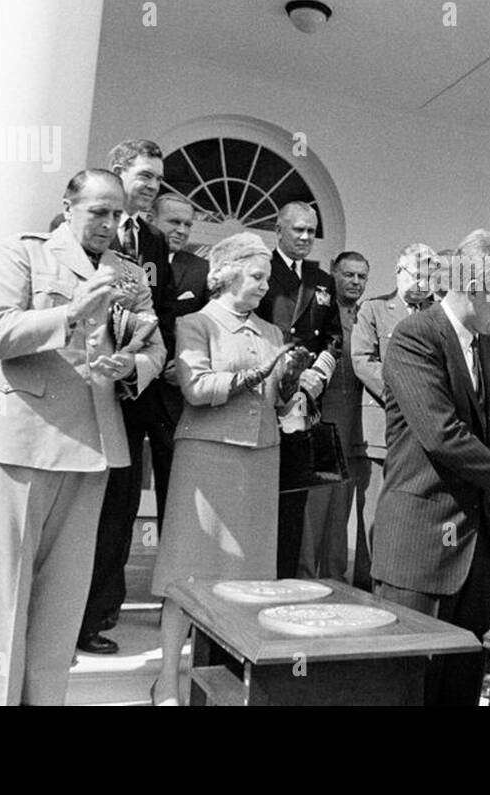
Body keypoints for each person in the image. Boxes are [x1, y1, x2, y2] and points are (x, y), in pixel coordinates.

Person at [0, 169, 165, 705]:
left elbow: (156, 347)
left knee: (63, 599)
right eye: (98, 211)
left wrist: (133, 365)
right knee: (6, 592)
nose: (108, 224)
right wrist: (70, 313)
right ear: (68, 206)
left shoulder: (128, 273)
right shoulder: (23, 254)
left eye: (118, 214)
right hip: (21, 438)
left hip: (93, 444)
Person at [370, 230, 490, 705]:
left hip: (475, 551)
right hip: (419, 548)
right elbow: (441, 435)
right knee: (408, 689)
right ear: (475, 284)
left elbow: (482, 440)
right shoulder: (416, 336)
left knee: (461, 688)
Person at [151, 233, 309, 705]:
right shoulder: (196, 323)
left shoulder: (272, 332)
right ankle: (167, 679)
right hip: (207, 457)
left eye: (266, 278)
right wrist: (259, 375)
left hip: (261, 458)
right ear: (226, 273)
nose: (265, 286)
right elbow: (196, 388)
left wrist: (292, 379)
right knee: (188, 574)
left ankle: (227, 683)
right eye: (257, 276)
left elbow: (277, 403)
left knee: (249, 580)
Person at [76, 139, 177, 656]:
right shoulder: (87, 227)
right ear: (118, 173)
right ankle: (68, 614)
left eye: (157, 179)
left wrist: (144, 366)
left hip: (136, 390)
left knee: (118, 509)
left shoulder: (154, 241)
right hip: (84, 389)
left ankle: (99, 614)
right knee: (85, 510)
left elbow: (155, 313)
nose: (152, 187)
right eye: (144, 177)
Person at [253, 201, 342, 577]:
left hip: (301, 402)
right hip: (260, 393)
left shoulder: (321, 280)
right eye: (298, 230)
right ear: (279, 230)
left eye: (312, 231)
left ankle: (285, 579)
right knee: (259, 496)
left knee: (292, 497)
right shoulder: (259, 270)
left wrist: (314, 378)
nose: (306, 237)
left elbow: (333, 337)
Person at [350, 242, 438, 589]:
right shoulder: (374, 310)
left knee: (412, 518)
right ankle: (367, 590)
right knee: (373, 518)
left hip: (425, 433)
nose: (424, 282)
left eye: (431, 275)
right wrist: (402, 397)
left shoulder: (438, 314)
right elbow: (362, 360)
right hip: (383, 429)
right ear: (399, 273)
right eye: (418, 274)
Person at [298, 250, 370, 580]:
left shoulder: (367, 317)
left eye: (361, 276)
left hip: (356, 429)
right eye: (348, 274)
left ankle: (335, 582)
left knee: (340, 516)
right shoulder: (321, 313)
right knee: (315, 511)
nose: (355, 281)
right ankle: (303, 580)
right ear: (334, 274)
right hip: (323, 424)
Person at [146, 192, 210, 530]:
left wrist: (185, 364)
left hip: (173, 392)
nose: (182, 230)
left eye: (188, 223)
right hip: (130, 387)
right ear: (152, 218)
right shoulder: (133, 257)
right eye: (174, 221)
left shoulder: (200, 269)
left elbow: (207, 326)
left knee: (173, 486)